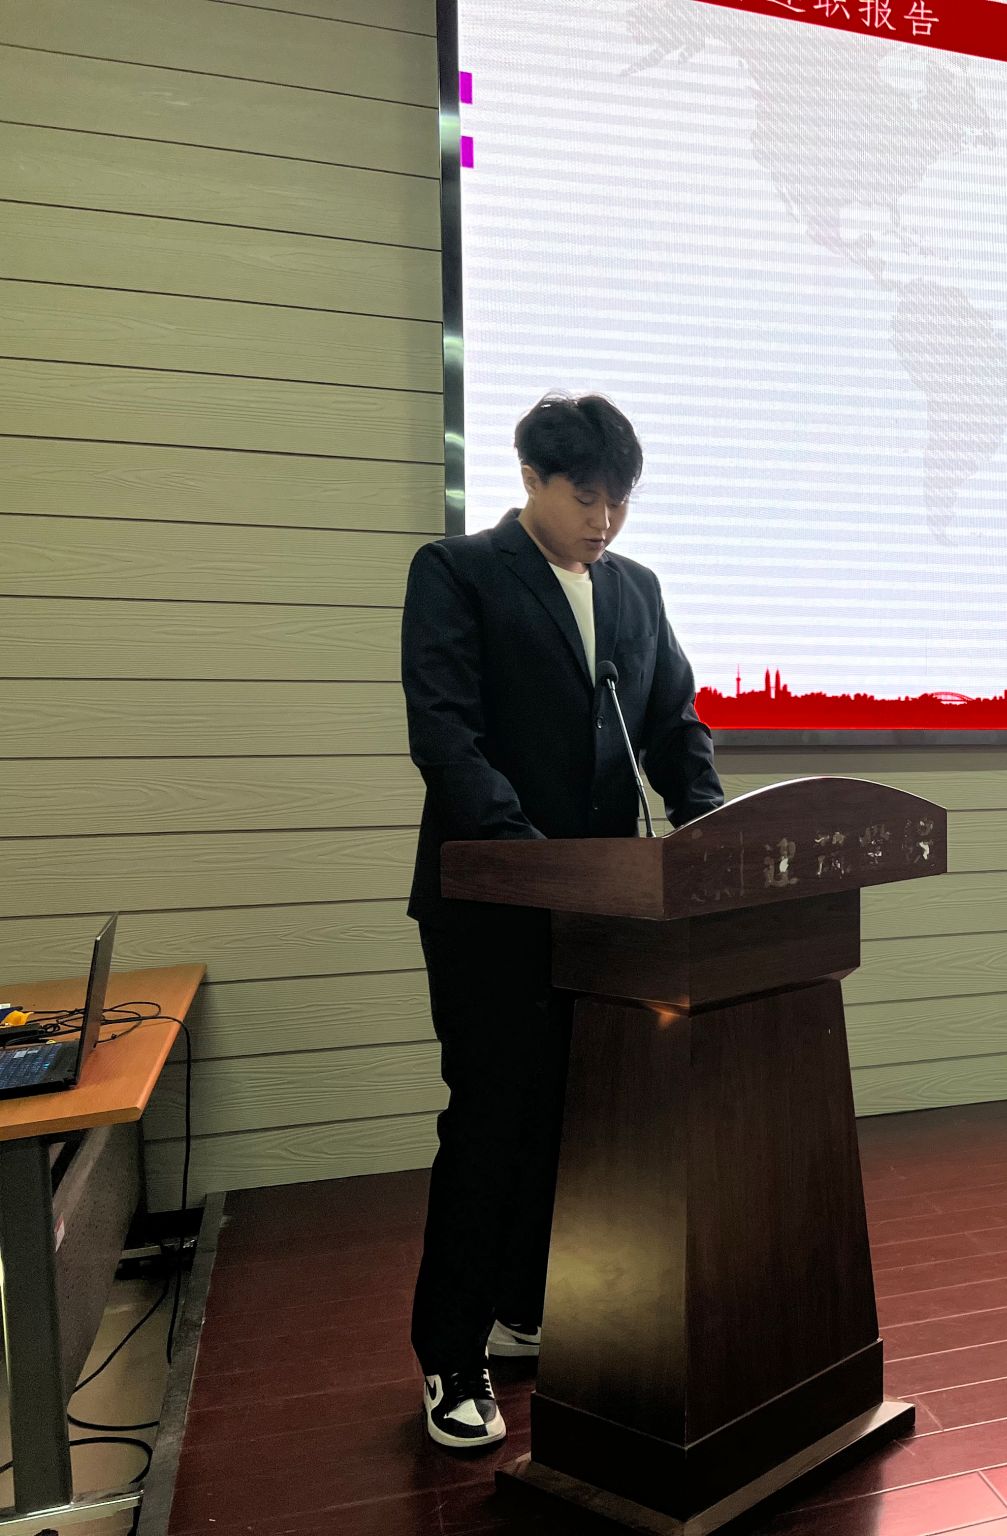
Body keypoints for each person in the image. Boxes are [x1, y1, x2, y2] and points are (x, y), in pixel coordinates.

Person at [399, 393, 723, 1450]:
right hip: (491, 907)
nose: (604, 520)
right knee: (491, 1118)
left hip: (602, 909)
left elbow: (675, 725)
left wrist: (707, 830)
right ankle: (450, 1356)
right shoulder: (456, 573)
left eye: (619, 500)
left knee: (573, 1122)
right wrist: (537, 862)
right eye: (585, 497)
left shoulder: (635, 590)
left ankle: (523, 1305)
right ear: (531, 478)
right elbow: (446, 738)